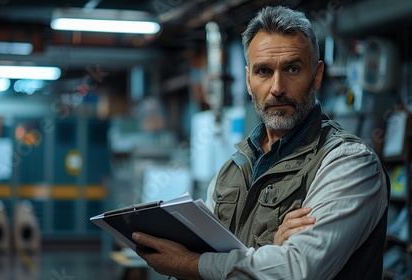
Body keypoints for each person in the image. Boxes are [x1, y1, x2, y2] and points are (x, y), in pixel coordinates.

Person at [132, 5, 390, 280]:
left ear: (316, 75)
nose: (277, 87)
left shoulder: (350, 163)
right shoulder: (232, 169)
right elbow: (223, 256)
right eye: (264, 71)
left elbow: (295, 271)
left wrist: (190, 264)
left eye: (292, 69)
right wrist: (270, 251)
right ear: (248, 79)